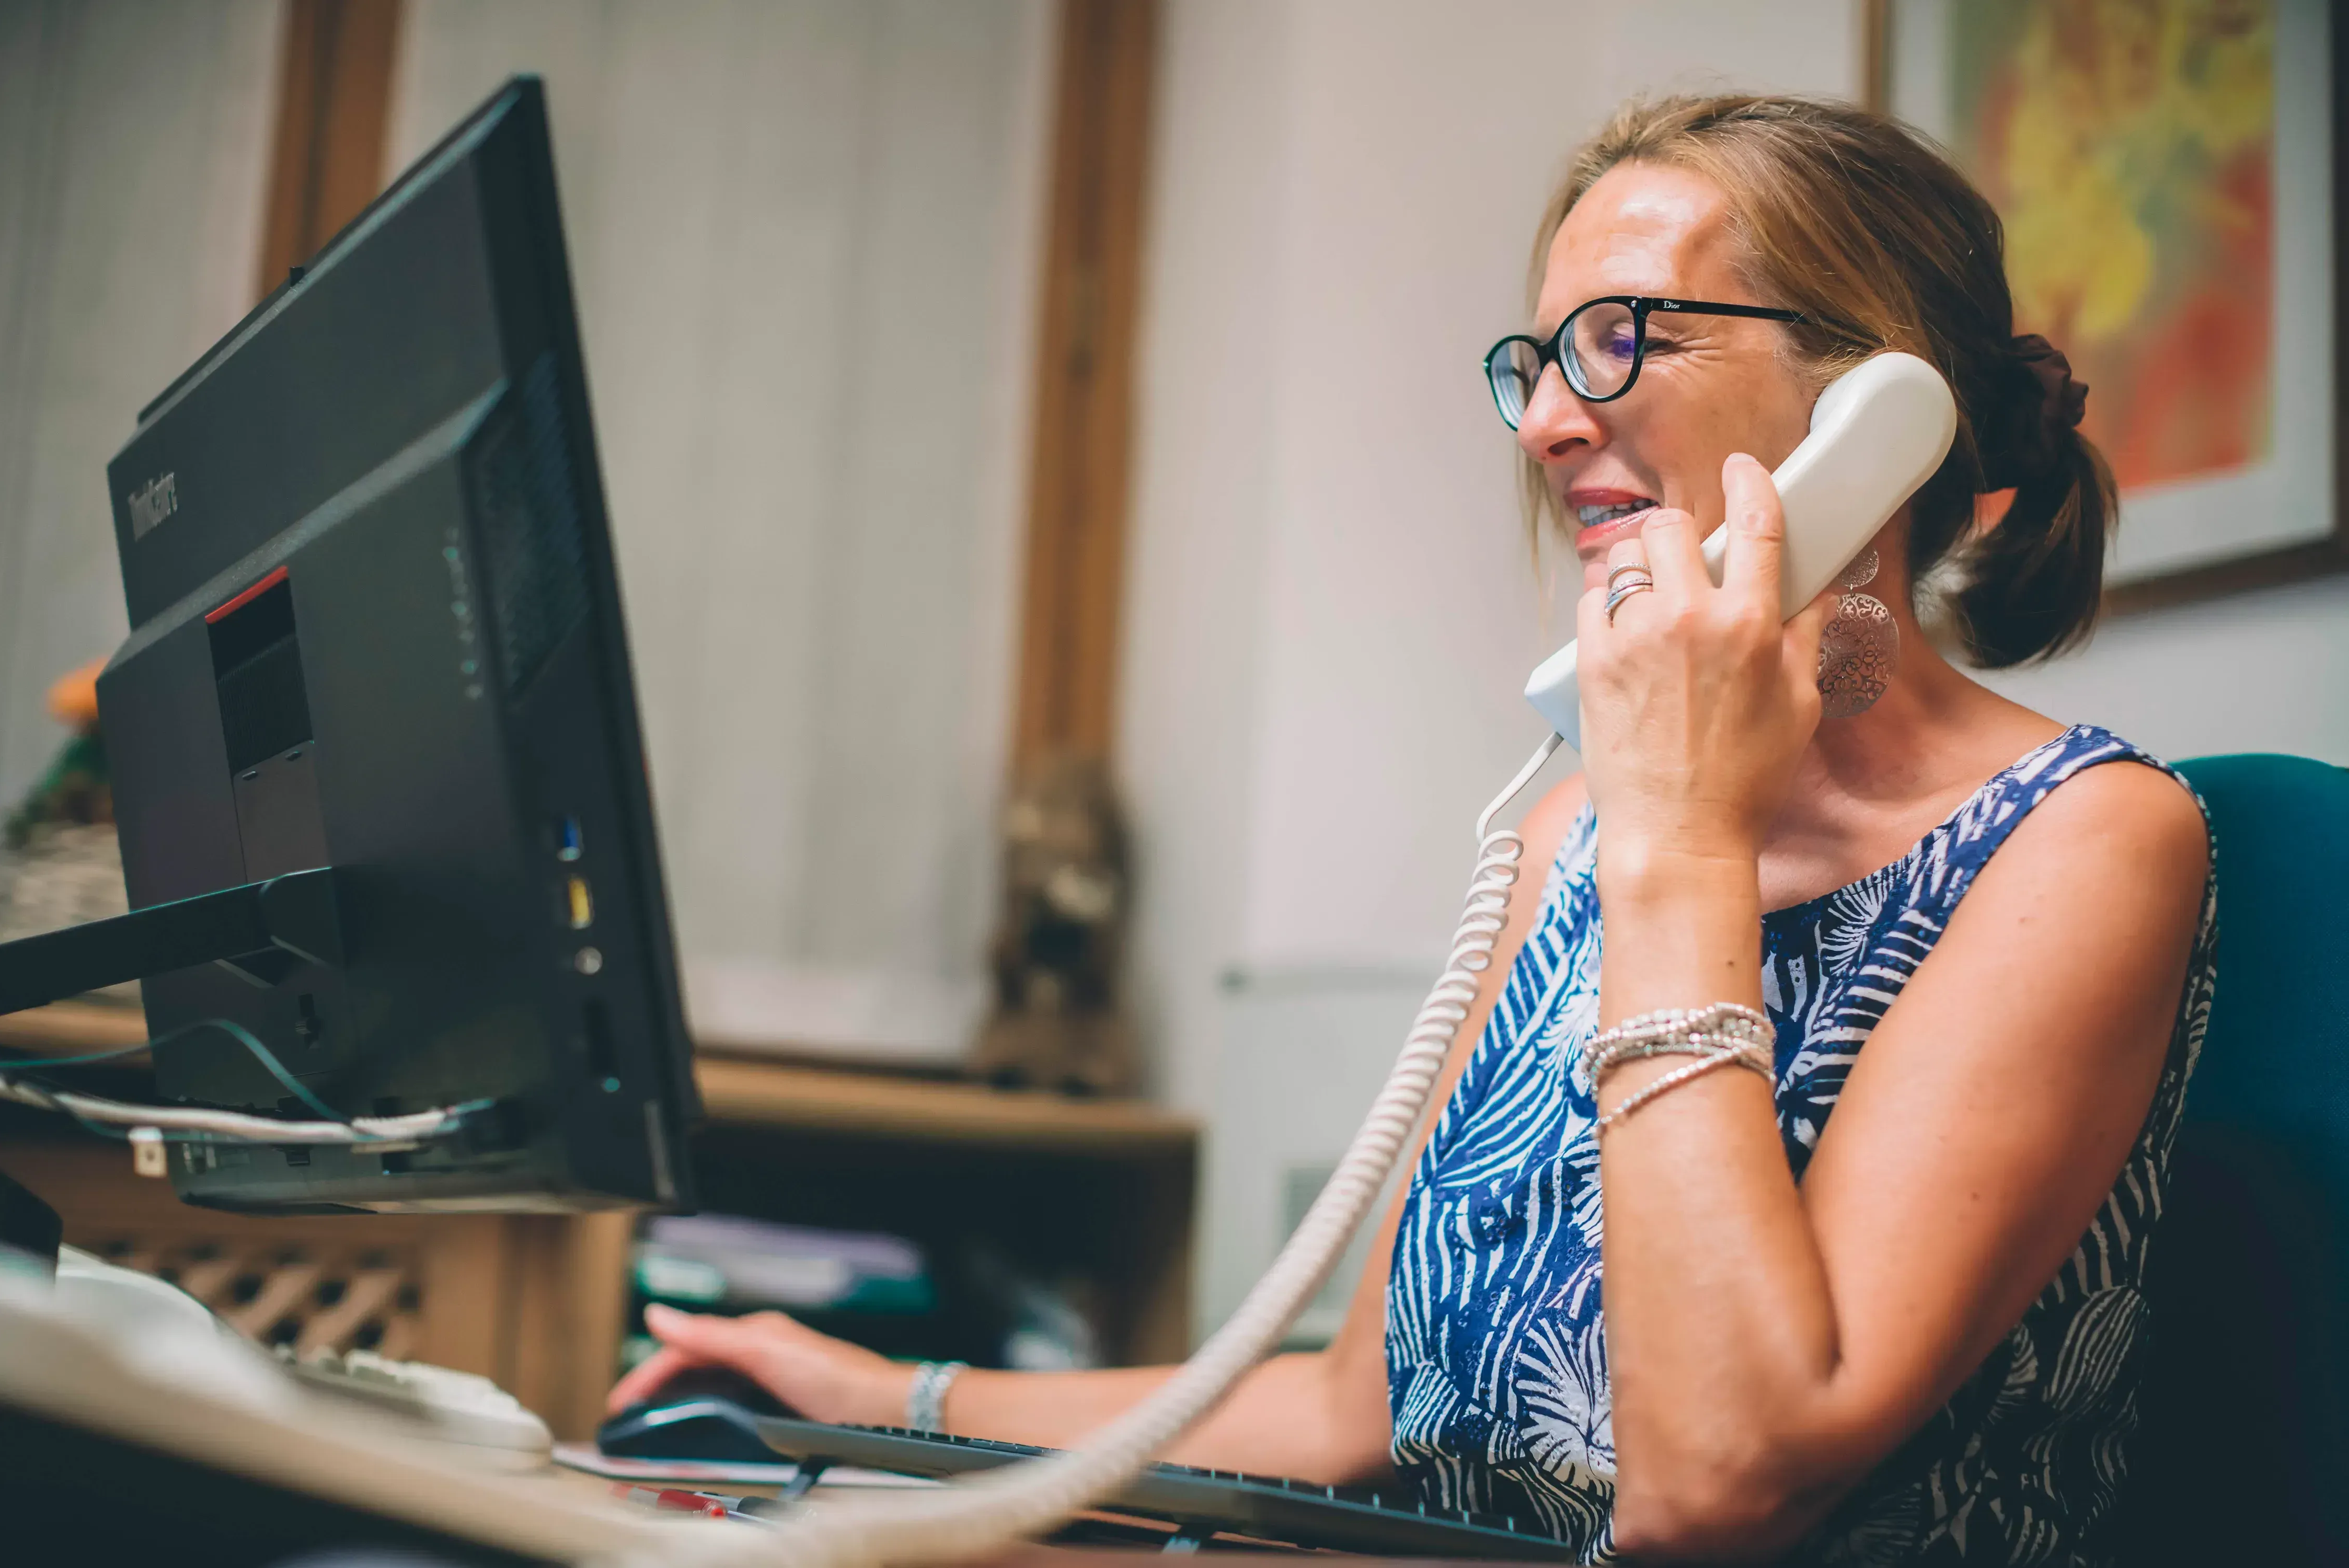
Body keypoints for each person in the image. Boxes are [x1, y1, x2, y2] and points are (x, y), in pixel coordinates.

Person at [608, 95, 2214, 1565]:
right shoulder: (1570, 840)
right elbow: (1347, 1412)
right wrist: (887, 1398)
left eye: (1621, 340)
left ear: (1875, 406)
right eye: (1539, 363)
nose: (1546, 424)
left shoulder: (2084, 846)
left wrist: (1678, 837)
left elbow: (1718, 1484)